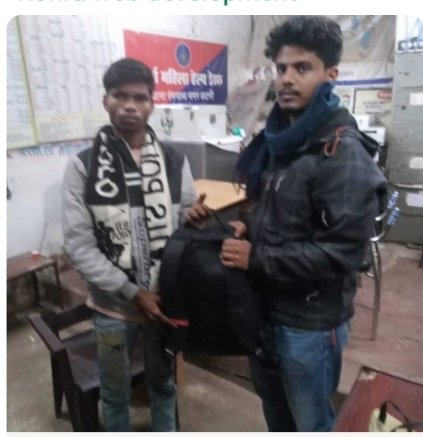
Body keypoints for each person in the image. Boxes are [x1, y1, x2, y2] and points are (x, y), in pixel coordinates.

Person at [220, 16, 387, 432]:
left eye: (302, 68)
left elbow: (342, 255)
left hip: (309, 327)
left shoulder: (342, 152)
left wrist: (256, 258)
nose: (287, 79)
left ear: (331, 74)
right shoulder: (280, 142)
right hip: (265, 311)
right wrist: (250, 229)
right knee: (277, 419)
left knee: (311, 424)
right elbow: (284, 213)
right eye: (281, 68)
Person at [62, 58, 209, 432]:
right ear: (105, 100)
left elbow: (185, 211)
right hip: (112, 311)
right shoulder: (84, 167)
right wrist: (131, 292)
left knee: (163, 384)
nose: (130, 105)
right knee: (114, 391)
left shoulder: (173, 160)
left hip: (163, 305)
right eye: (120, 96)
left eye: (140, 98)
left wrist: (192, 215)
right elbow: (79, 245)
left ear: (151, 104)